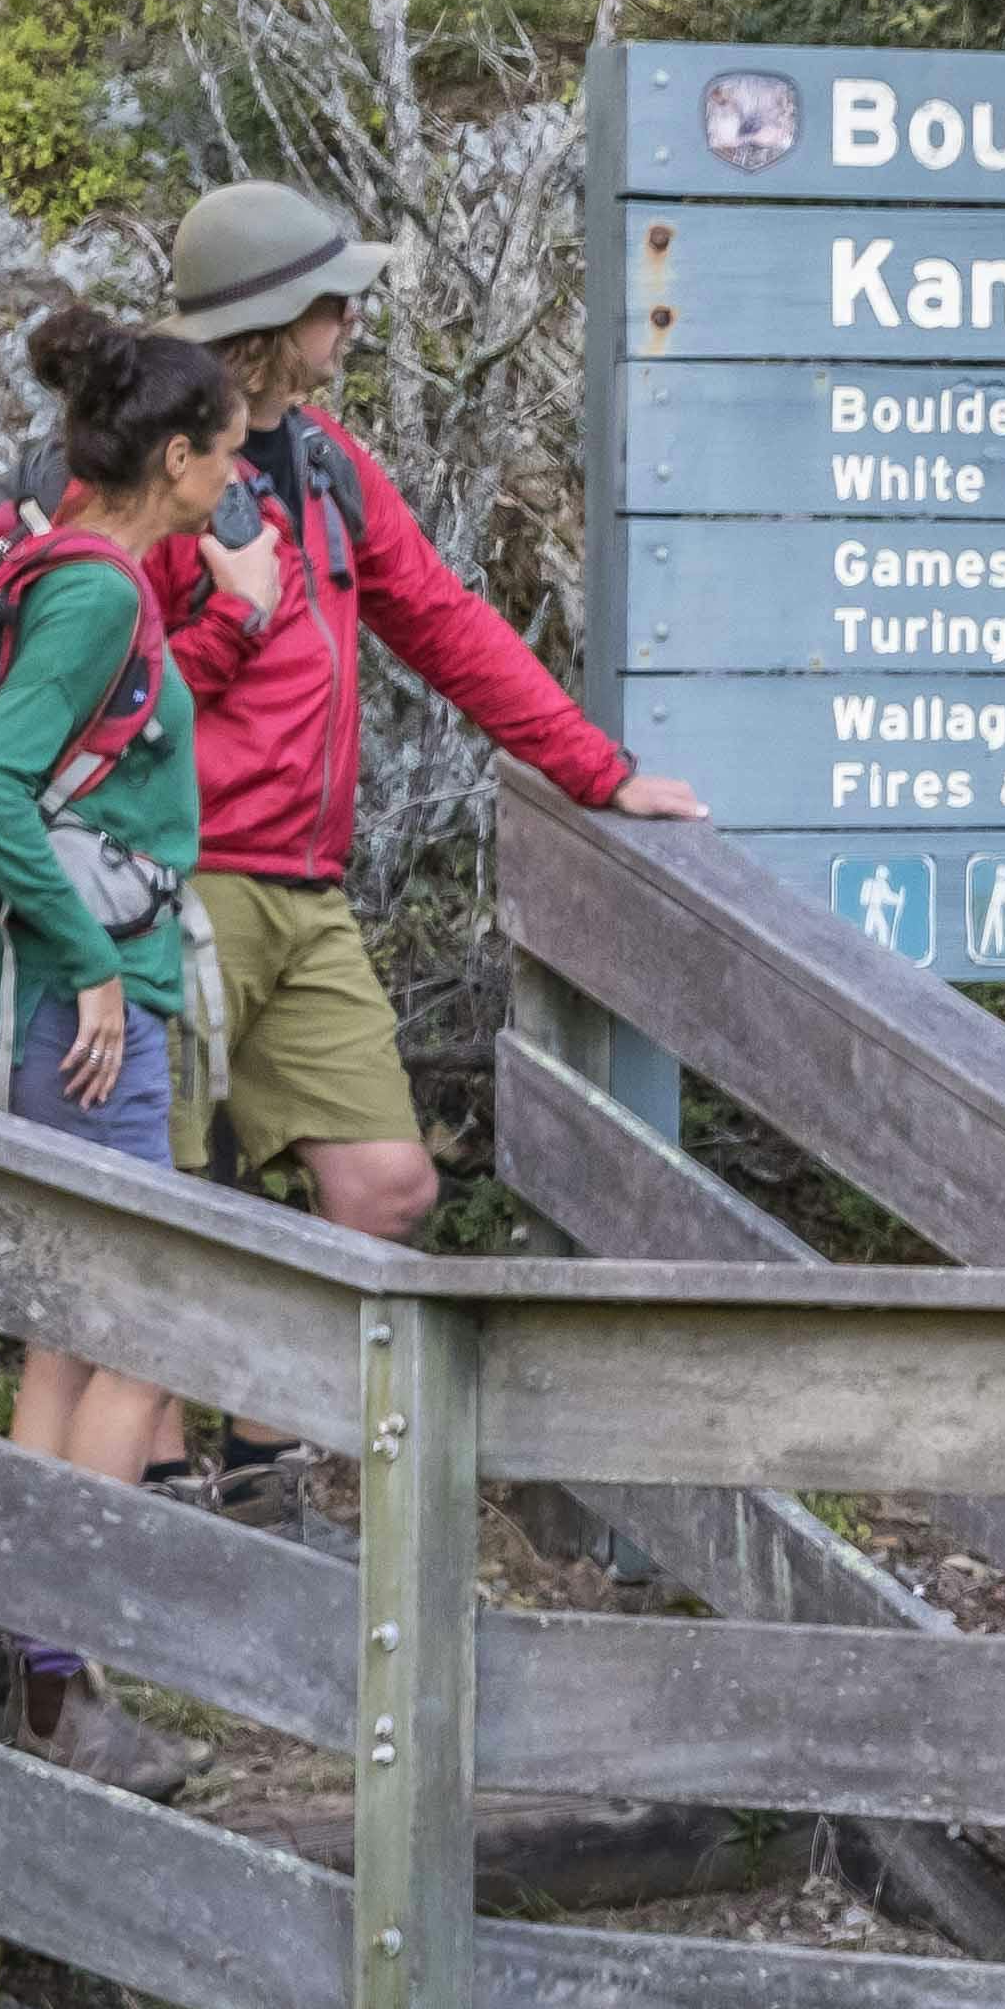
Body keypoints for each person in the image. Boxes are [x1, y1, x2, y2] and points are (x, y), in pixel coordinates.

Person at [131, 177, 704, 1289]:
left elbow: (443, 622)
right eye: (331, 305)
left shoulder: (325, 462)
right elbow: (106, 687)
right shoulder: (160, 473)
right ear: (263, 337)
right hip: (175, 878)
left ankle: (261, 1439)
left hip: (303, 889)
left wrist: (597, 771)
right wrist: (238, 618)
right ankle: (141, 1473)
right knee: (154, 1210)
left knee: (386, 1189)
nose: (349, 321)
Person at [0, 301, 234, 1773]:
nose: (235, 481)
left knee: (72, 1334)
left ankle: (40, 1667)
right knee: (137, 1333)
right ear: (175, 458)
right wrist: (95, 969)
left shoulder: (92, 573)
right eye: (224, 457)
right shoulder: (99, 594)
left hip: (61, 999)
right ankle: (69, 1673)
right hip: (82, 1010)